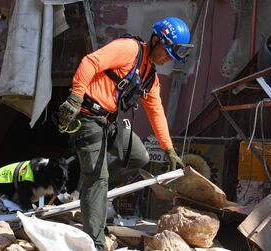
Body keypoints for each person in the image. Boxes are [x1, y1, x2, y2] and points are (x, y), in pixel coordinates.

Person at [57, 17, 193, 250]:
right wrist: (76, 96)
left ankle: (92, 196)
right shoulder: (129, 49)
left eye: (172, 56)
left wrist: (168, 149)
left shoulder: (150, 77)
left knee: (139, 157)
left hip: (109, 123)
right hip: (87, 117)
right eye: (168, 52)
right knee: (96, 179)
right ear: (156, 39)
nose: (168, 59)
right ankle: (95, 242)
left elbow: (156, 112)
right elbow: (90, 62)